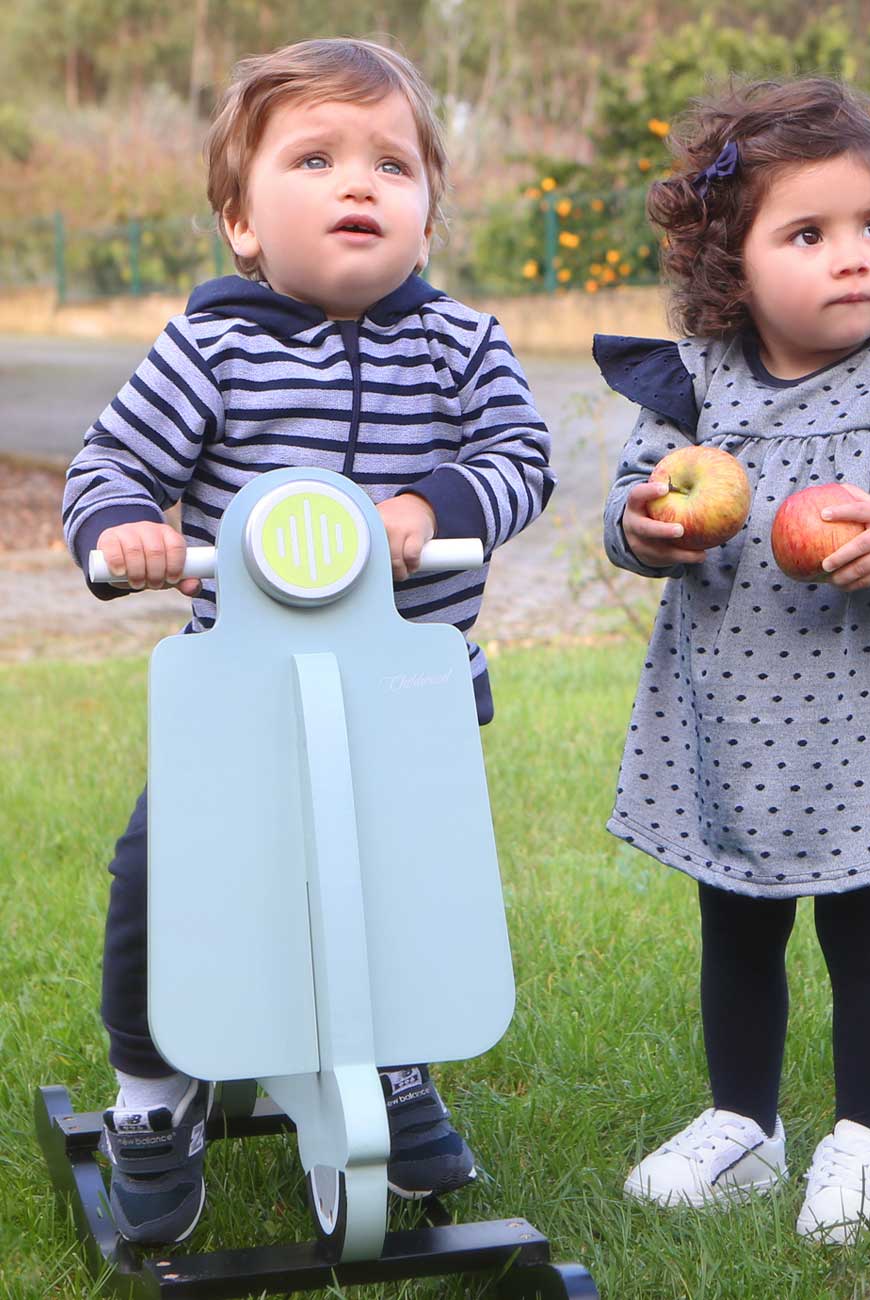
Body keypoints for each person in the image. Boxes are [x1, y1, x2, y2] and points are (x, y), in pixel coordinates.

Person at [61, 37, 555, 1246]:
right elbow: (112, 462)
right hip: (240, 708)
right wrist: (127, 528)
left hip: (409, 698)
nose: (360, 183)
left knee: (403, 889)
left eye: (393, 164)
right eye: (317, 157)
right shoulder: (210, 351)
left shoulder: (462, 347)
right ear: (240, 220)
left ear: (427, 217)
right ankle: (153, 1091)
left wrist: (430, 506)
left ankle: (386, 1064)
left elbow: (523, 458)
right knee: (169, 885)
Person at [594, 77, 870, 1244]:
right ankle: (743, 1124)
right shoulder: (695, 387)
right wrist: (642, 528)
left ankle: (863, 1140)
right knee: (734, 928)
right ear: (731, 263)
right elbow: (631, 512)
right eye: (810, 232)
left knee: (867, 939)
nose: (853, 258)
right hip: (729, 723)